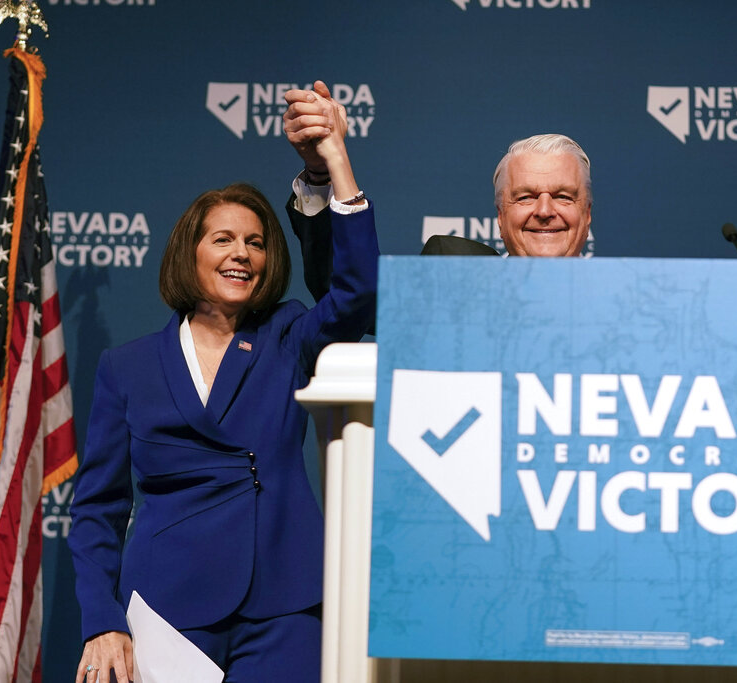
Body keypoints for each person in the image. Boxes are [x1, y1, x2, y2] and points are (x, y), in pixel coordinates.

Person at [68, 81, 378, 683]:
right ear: (191, 252)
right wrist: (101, 621)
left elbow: (356, 296)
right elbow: (97, 511)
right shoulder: (126, 367)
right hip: (167, 609)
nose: (243, 254)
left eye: (257, 243)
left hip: (284, 604)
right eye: (224, 239)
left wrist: (335, 161)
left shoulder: (286, 333)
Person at [285, 131, 591, 263]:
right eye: (525, 197)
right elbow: (354, 302)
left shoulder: (630, 301)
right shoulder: (452, 275)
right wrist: (324, 171)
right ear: (500, 217)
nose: (545, 210)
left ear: (587, 214)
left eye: (564, 197)